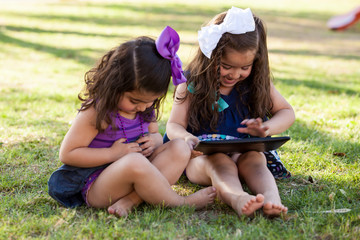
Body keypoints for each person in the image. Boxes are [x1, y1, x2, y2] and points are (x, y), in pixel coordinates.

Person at [48, 26, 216, 217]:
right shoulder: (97, 112)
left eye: (150, 101)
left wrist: (154, 141)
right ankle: (179, 202)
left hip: (136, 173)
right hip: (97, 185)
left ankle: (130, 201)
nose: (143, 107)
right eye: (135, 101)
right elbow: (68, 154)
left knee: (179, 147)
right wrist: (112, 153)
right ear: (115, 85)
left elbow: (155, 135)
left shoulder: (145, 109)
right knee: (134, 161)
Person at [165, 7, 295, 218]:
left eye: (245, 67)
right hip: (201, 157)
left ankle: (272, 199)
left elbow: (287, 112)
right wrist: (188, 139)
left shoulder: (256, 84)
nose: (235, 74)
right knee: (219, 162)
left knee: (255, 159)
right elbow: (173, 126)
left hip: (243, 151)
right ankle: (237, 198)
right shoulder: (191, 84)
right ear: (210, 55)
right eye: (226, 66)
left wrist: (266, 128)